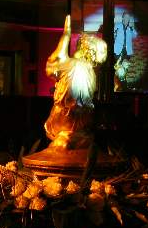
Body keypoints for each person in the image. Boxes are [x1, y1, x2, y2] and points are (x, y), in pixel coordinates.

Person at [43, 15, 107, 150]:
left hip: (72, 122)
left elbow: (54, 63)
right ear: (90, 52)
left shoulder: (85, 69)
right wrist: (65, 36)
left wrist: (66, 36)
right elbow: (54, 64)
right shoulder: (77, 66)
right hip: (69, 121)